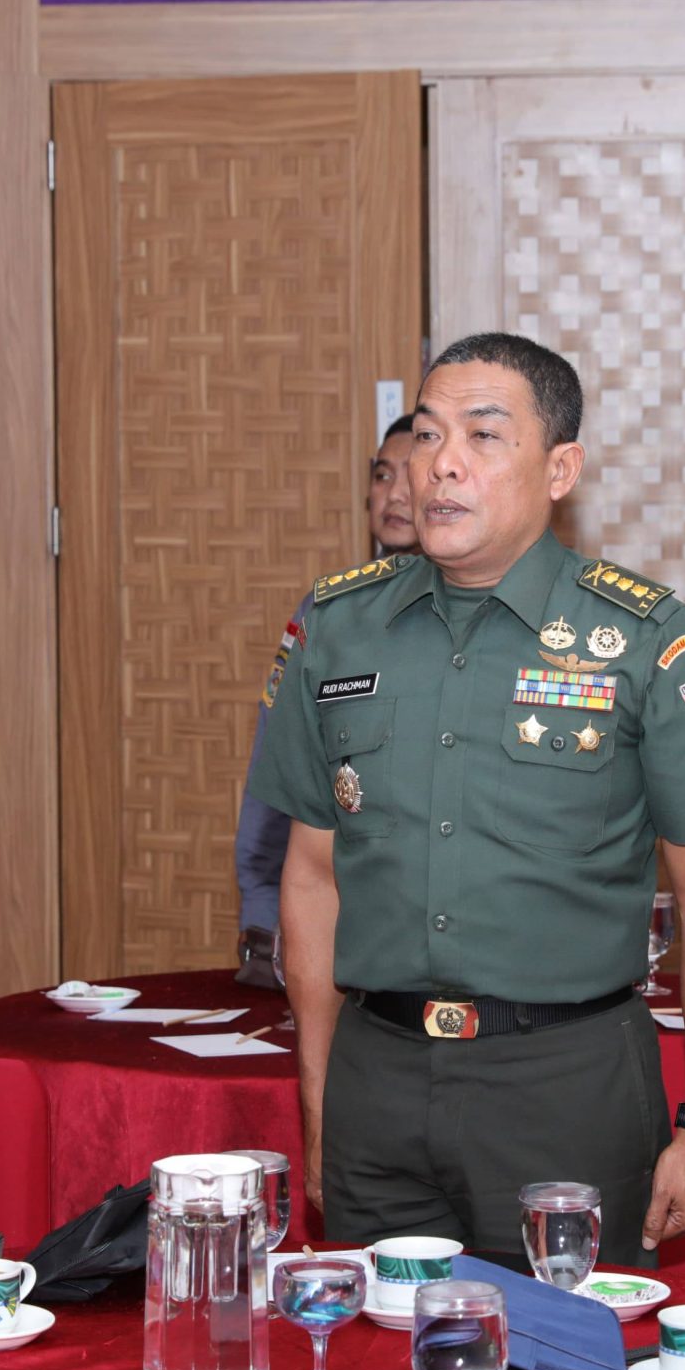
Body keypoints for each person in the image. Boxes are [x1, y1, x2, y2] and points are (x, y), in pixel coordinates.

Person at [248, 331, 685, 1265]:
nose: (440, 464)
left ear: (561, 469)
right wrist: (322, 1103)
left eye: (483, 436)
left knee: (563, 1355)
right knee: (379, 1355)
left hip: (564, 1085)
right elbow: (313, 879)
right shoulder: (336, 626)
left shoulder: (644, 639)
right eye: (426, 434)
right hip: (378, 1079)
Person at [233, 414, 418, 987]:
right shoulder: (328, 613)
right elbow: (276, 768)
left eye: (413, 475)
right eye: (383, 476)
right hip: (328, 920)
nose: (395, 494)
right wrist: (262, 914)